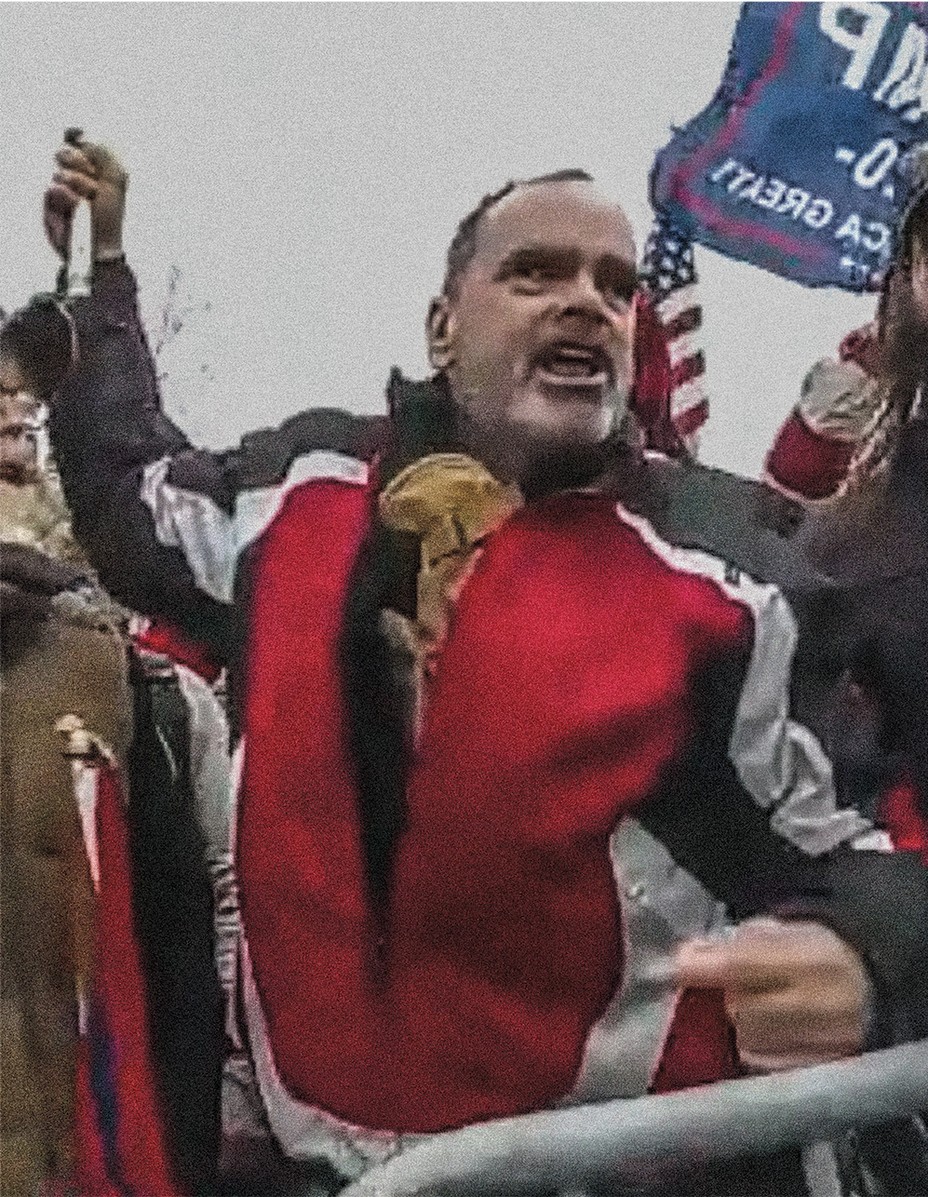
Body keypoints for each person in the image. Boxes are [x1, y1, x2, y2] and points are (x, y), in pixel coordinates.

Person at [33, 134, 928, 1195]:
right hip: (332, 1172)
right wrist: (104, 273)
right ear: (442, 326)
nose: (587, 303)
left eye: (616, 285)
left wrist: (856, 961)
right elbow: (128, 495)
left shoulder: (732, 576)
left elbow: (873, 852)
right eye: (536, 272)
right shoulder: (294, 498)